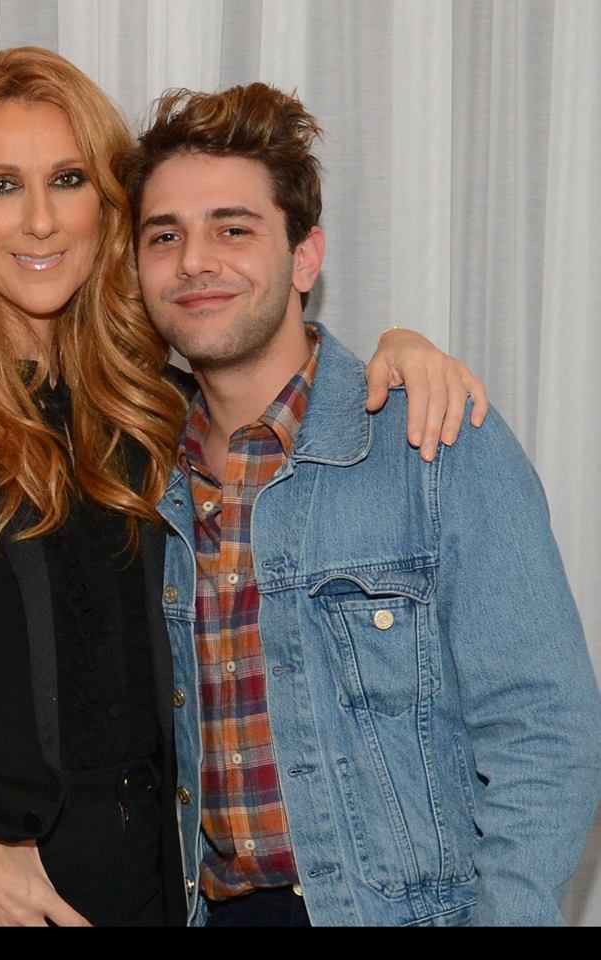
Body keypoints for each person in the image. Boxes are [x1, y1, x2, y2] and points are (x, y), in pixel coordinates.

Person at [0, 48, 486, 928]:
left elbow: (281, 395)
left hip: (151, 891)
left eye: (67, 179)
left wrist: (402, 351)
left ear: (109, 205)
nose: (41, 221)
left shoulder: (157, 405)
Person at [122, 83, 601, 925]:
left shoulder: (434, 440)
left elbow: (545, 732)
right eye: (165, 236)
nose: (194, 260)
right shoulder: (131, 473)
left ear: (305, 258)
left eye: (232, 229)